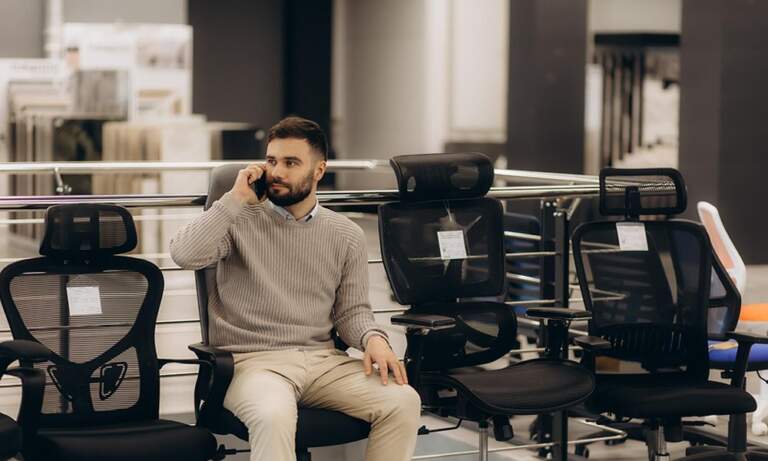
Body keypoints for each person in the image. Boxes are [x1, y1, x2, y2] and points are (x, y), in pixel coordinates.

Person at [170, 116, 421, 460]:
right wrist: (234, 198)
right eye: (271, 161)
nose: (277, 172)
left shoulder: (346, 234)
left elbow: (352, 313)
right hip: (252, 363)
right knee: (274, 415)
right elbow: (184, 254)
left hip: (323, 364)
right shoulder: (238, 219)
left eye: (291, 163)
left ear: (319, 170)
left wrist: (373, 339)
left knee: (403, 401)